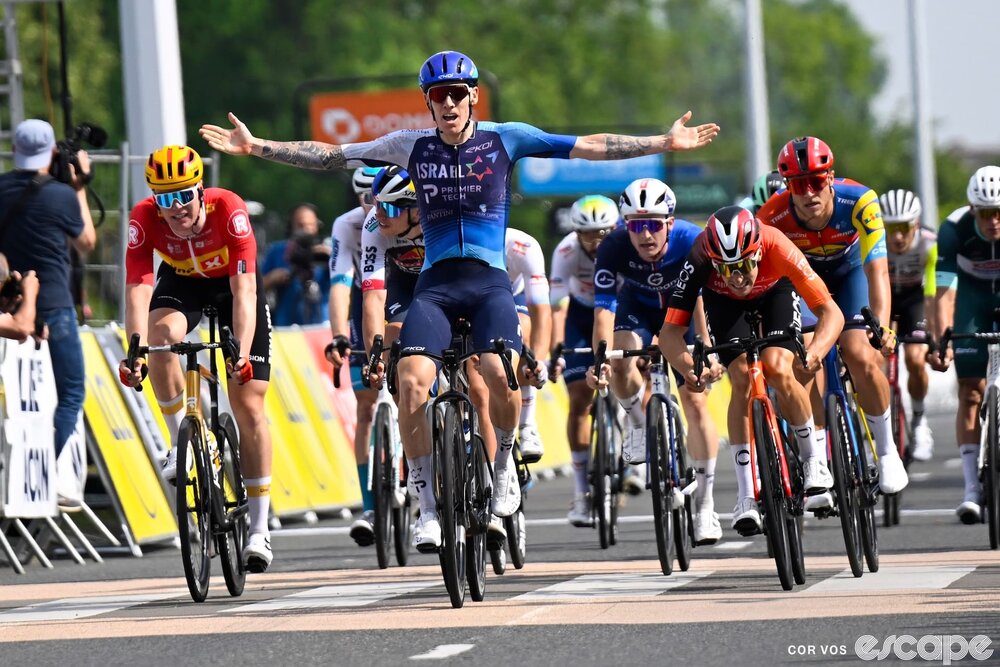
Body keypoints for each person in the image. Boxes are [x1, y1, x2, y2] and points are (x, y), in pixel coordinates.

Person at [200, 49, 719, 550]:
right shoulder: (411, 145)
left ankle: (504, 466)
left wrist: (663, 142)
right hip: (436, 286)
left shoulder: (505, 139)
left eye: (457, 94)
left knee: (498, 373)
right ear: (429, 101)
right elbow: (332, 156)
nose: (448, 104)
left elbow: (589, 144)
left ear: (473, 96)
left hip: (490, 283)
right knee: (410, 383)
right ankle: (427, 508)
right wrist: (258, 147)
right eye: (437, 95)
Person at [118, 145, 275, 572]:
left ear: (200, 190)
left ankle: (259, 530)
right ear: (155, 199)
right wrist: (134, 351)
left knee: (248, 401)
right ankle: (180, 443)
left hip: (231, 286)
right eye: (165, 199)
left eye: (184, 195)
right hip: (183, 283)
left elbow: (245, 292)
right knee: (160, 340)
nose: (177, 208)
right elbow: (137, 287)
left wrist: (240, 353)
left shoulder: (229, 210)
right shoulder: (144, 218)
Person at [661, 206, 845, 535]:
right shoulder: (700, 257)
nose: (737, 277)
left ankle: (813, 460)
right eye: (727, 268)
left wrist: (816, 352)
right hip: (723, 303)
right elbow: (670, 334)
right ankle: (746, 494)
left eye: (744, 264)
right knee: (742, 376)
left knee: (777, 367)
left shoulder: (777, 245)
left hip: (775, 289)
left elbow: (831, 312)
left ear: (758, 251)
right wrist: (688, 369)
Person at [757, 136, 908, 496]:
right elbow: (767, 285)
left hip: (851, 272)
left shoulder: (859, 201)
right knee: (804, 359)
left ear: (831, 177)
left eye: (816, 181)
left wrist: (881, 327)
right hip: (805, 283)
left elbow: (878, 272)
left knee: (858, 351)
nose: (808, 193)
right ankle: (819, 459)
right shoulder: (771, 217)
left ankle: (887, 450)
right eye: (798, 184)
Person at [586, 178, 722, 544]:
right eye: (636, 225)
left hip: (685, 313)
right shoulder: (612, 247)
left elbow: (700, 301)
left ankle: (706, 506)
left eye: (653, 225)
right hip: (640, 309)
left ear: (670, 223)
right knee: (619, 360)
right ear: (624, 226)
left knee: (694, 402)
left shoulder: (692, 239)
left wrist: (706, 348)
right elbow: (604, 311)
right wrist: (601, 357)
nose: (645, 235)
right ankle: (637, 422)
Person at [0, 118, 95, 507]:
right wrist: (80, 187)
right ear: (53, 154)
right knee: (70, 392)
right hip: (54, 304)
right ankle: (46, 473)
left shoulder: (1, 189)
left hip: (12, 305)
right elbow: (87, 241)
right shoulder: (61, 195)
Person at [352, 165, 425, 547]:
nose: (380, 216)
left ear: (416, 210)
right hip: (402, 287)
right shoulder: (373, 228)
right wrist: (374, 355)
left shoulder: (439, 220)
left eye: (391, 210)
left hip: (442, 282)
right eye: (378, 206)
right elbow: (373, 298)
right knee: (397, 358)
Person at [928, 166, 1000, 524]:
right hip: (971, 298)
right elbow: (944, 294)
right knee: (970, 391)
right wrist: (942, 340)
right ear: (973, 210)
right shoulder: (953, 228)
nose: (994, 221)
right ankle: (972, 488)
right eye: (987, 213)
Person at [548, 194, 619, 526]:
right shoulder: (565, 252)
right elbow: (557, 307)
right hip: (579, 315)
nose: (597, 240)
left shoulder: (625, 245)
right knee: (579, 397)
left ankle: (636, 443)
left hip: (619, 311)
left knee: (636, 371)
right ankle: (580, 493)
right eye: (588, 233)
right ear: (575, 233)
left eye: (604, 231)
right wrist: (557, 348)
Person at [325, 167, 380, 546]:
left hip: (407, 292)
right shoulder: (346, 225)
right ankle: (371, 504)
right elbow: (340, 286)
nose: (372, 206)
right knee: (366, 407)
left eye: (377, 197)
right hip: (365, 299)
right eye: (363, 198)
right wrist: (339, 336)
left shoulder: (412, 210)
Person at [879, 188, 936, 461]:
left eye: (903, 227)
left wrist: (935, 331)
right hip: (886, 298)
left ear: (915, 223)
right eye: (891, 228)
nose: (897, 236)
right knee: (875, 357)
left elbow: (935, 292)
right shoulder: (874, 241)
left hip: (915, 300)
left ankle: (920, 420)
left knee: (915, 358)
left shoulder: (929, 243)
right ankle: (875, 431)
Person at [504, 227, 552, 463]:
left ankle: (527, 425)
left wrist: (539, 361)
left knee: (522, 328)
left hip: (516, 295)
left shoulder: (522, 246)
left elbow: (541, 310)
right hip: (476, 296)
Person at [261, 202, 331, 326]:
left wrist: (332, 258)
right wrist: (272, 278)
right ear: (291, 226)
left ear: (317, 226)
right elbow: (255, 288)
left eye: (310, 225)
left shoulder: (325, 252)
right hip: (286, 328)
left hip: (321, 327)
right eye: (300, 225)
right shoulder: (277, 251)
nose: (306, 230)